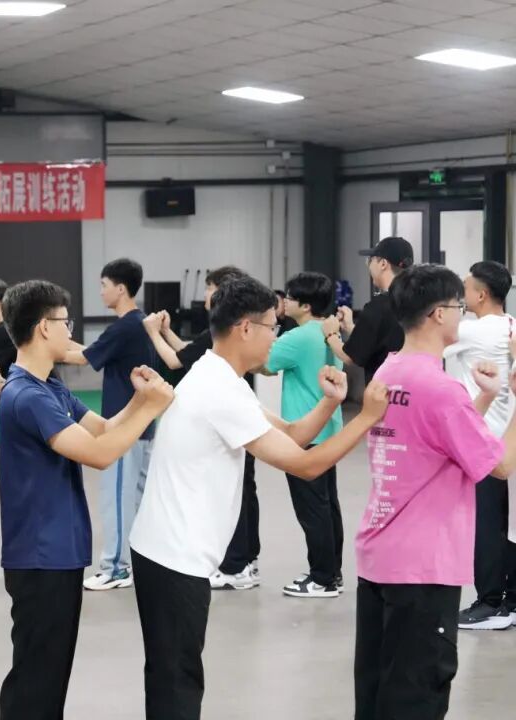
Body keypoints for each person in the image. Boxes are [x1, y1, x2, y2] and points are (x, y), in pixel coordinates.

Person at [130, 276, 390, 720]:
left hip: (171, 551)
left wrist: (331, 403)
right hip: (173, 556)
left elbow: (290, 434)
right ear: (245, 328)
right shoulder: (218, 390)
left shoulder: (220, 376)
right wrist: (366, 417)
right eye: (272, 326)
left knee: (174, 676)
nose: (277, 335)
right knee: (177, 682)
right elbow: (305, 464)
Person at [0, 279, 174, 719]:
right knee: (37, 678)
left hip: (59, 550)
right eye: (65, 322)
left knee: (51, 674)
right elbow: (100, 454)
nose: (70, 332)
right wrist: (153, 409)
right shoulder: (27, 395)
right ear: (43, 327)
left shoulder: (50, 388)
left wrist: (141, 400)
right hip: (39, 556)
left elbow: (104, 427)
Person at [354, 264, 516, 720]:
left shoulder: (389, 371)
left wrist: (484, 398)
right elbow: (500, 465)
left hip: (381, 556)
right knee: (417, 696)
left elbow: (442, 438)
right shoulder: (441, 389)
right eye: (458, 306)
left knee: (378, 691)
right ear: (438, 314)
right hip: (424, 568)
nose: (463, 314)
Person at [144, 266, 264, 590]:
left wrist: (153, 333)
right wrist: (167, 332)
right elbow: (190, 351)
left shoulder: (223, 336)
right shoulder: (217, 335)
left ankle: (237, 566)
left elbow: (176, 361)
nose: (206, 294)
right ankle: (247, 562)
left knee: (238, 494)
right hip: (236, 420)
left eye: (210, 288)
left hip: (232, 422)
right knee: (244, 490)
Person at [58, 259, 159, 591]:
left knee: (117, 499)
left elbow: (82, 357)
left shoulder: (124, 327)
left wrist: (44, 345)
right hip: (142, 426)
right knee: (137, 500)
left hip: (122, 427)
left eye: (104, 285)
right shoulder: (138, 324)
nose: (100, 291)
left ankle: (116, 567)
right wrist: (61, 342)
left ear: (121, 288)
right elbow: (92, 351)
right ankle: (137, 563)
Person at [440, 260, 516, 630]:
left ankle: (489, 603)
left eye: (466, 288)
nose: (461, 295)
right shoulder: (510, 325)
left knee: (485, 525)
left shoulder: (472, 330)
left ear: (482, 295)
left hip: (482, 439)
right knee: (507, 526)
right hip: (508, 439)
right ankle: (510, 602)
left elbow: (427, 342)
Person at [266, 272, 347, 599]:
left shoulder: (298, 337)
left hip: (305, 433)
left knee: (312, 509)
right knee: (327, 505)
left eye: (289, 297)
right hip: (329, 430)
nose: (284, 301)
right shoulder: (329, 332)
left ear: (305, 305)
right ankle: (332, 572)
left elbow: (263, 364)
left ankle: (321, 578)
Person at [323, 235, 412, 383]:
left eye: (371, 260)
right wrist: (351, 327)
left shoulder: (379, 306)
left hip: (383, 390)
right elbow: (383, 340)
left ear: (383, 264)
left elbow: (350, 357)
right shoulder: (415, 302)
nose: (368, 266)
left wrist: (330, 334)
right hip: (410, 386)